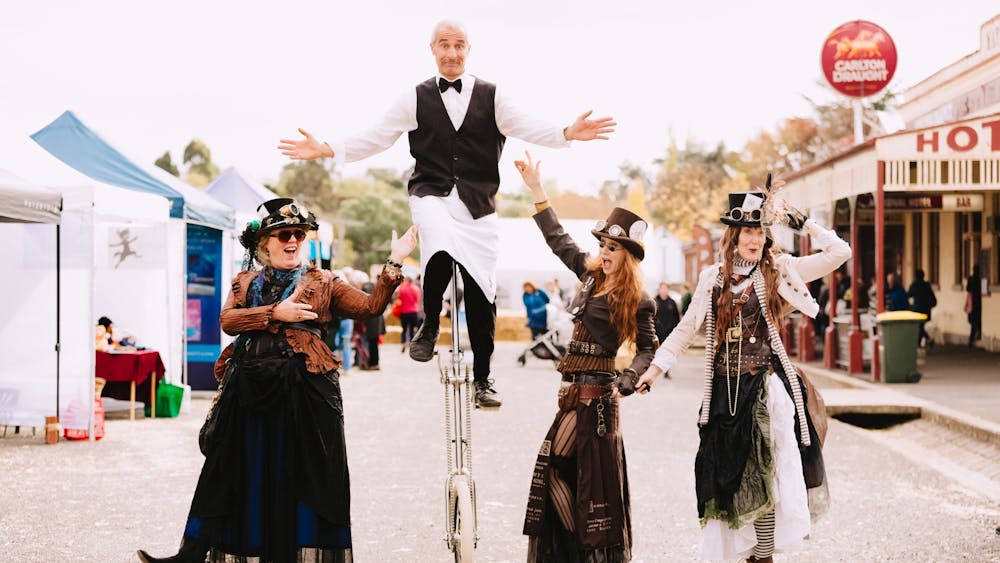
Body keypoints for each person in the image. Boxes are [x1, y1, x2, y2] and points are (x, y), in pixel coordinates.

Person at [278, 19, 615, 409]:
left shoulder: (493, 95)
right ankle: (428, 324)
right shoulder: (415, 96)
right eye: (444, 45)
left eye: (459, 45)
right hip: (430, 192)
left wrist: (566, 133)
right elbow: (377, 134)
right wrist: (327, 147)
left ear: (468, 49)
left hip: (478, 204)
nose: (452, 53)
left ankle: (484, 379)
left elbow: (527, 125)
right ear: (432, 49)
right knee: (436, 238)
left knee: (481, 289)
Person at [137, 198, 417, 563]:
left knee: (299, 478)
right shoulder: (245, 281)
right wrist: (275, 313)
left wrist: (394, 261)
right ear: (264, 244)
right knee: (224, 471)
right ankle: (189, 556)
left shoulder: (325, 281)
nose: (293, 241)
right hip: (247, 389)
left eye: (299, 235)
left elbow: (370, 308)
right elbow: (229, 322)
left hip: (304, 392)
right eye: (284, 234)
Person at [637, 186, 851, 562]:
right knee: (727, 482)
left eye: (760, 232)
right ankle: (744, 554)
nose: (754, 239)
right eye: (747, 232)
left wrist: (803, 223)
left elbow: (840, 253)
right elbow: (686, 330)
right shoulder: (711, 278)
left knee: (767, 477)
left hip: (764, 389)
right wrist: (653, 371)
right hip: (723, 393)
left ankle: (763, 556)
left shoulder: (781, 269)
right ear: (732, 237)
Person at [515, 153, 656, 561]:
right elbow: (559, 239)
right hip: (571, 396)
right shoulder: (590, 277)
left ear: (627, 254)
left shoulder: (636, 299)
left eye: (613, 247)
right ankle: (577, 554)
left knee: (560, 470)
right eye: (603, 245)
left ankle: (584, 554)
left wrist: (629, 379)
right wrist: (538, 190)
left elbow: (648, 349)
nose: (605, 252)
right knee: (565, 478)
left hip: (596, 403)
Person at [907, 269, 937, 348]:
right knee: (921, 327)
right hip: (926, 310)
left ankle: (926, 340)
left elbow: (909, 294)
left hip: (918, 310)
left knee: (919, 327)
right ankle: (920, 343)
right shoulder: (926, 285)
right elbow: (933, 298)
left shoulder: (915, 285)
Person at [396, 276, 422, 353]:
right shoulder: (416, 289)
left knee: (404, 329)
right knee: (412, 329)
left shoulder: (402, 289)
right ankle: (411, 344)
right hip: (413, 312)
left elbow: (399, 299)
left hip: (404, 312)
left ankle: (403, 343)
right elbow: (417, 299)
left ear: (407, 281)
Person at [653, 281, 681, 345]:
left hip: (669, 335)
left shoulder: (672, 302)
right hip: (658, 334)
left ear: (668, 289)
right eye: (662, 288)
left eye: (666, 288)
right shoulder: (654, 302)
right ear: (659, 289)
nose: (664, 290)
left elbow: (676, 318)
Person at [967, 265, 983, 347]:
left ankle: (972, 338)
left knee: (972, 320)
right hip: (979, 302)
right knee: (977, 320)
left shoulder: (971, 279)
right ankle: (975, 336)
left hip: (972, 302)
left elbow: (968, 289)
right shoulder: (980, 279)